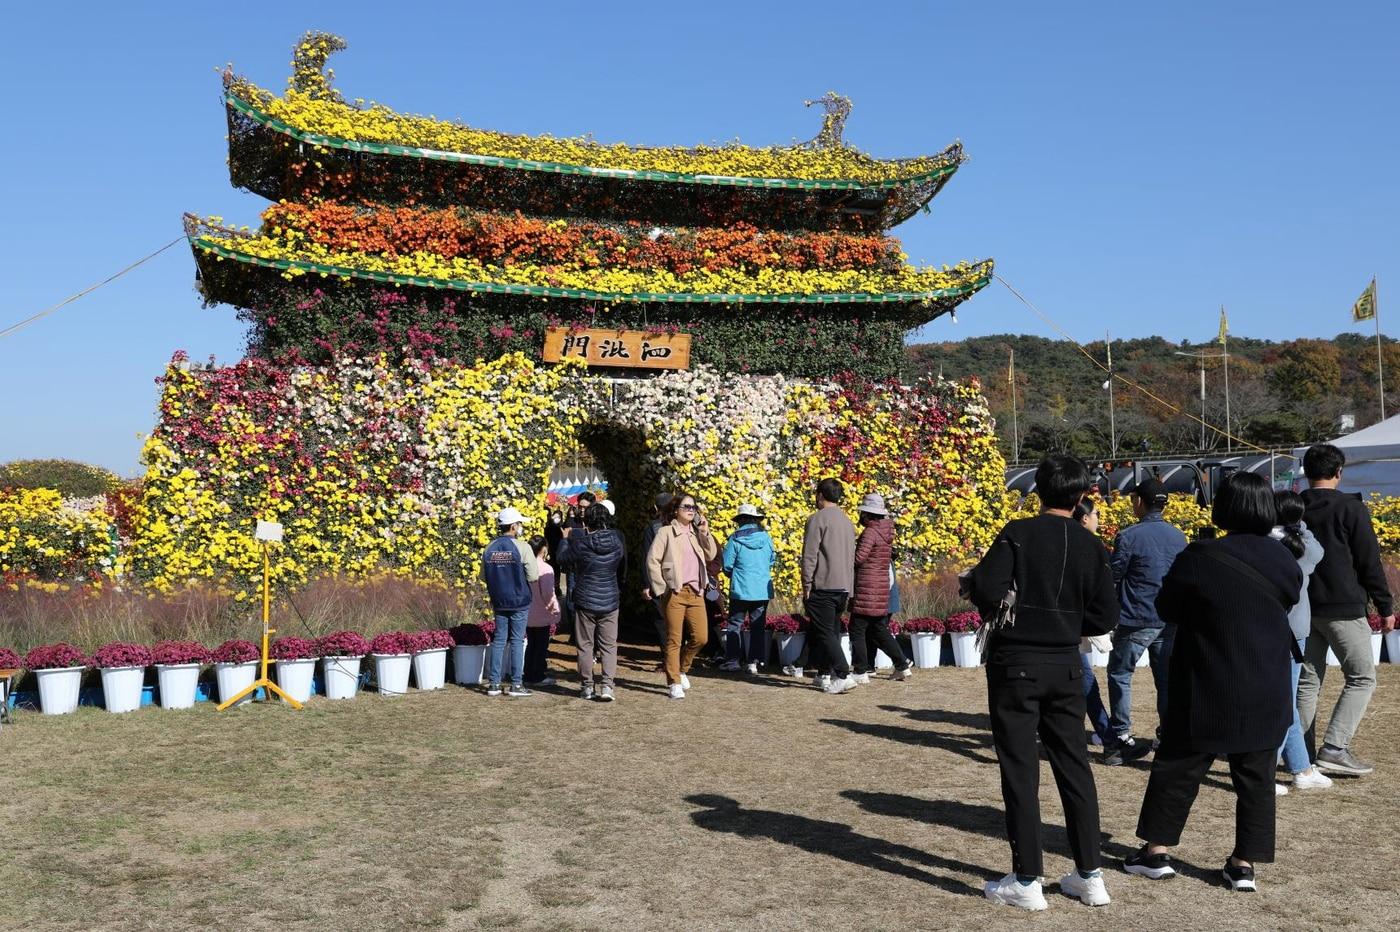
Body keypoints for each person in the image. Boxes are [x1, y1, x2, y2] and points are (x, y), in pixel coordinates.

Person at [1127, 471, 1302, 893]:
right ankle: (1243, 865)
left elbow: (1168, 606)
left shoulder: (1201, 556)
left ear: (1224, 507)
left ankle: (1157, 852)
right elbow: (1289, 598)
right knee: (1255, 778)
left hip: (1206, 680)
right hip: (1266, 681)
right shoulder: (1283, 559)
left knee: (1178, 767)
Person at [965, 454, 1118, 911]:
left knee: (1020, 769)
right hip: (1067, 665)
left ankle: (1027, 878)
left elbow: (987, 588)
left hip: (1015, 664)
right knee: (1075, 767)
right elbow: (1106, 615)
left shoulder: (1018, 532)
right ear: (1081, 496)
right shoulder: (1091, 545)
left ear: (1039, 490)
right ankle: (1090, 874)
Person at [1297, 443, 1396, 776]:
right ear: (1339, 472)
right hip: (1343, 605)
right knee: (1362, 678)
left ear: (1306, 472)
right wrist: (1385, 606)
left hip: (1303, 607)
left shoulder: (1293, 507)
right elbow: (1369, 563)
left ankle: (1300, 753)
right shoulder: (1351, 508)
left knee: (1308, 682)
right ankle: (1335, 748)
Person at [1104, 477, 1187, 766]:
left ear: (1139, 501)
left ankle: (1121, 736)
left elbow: (1114, 576)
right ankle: (1167, 736)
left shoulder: (1129, 536)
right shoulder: (1179, 536)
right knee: (1165, 681)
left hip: (1137, 617)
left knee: (1120, 674)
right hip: (1169, 619)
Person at [1271, 491, 1331, 793]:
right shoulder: (1304, 546)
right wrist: (1300, 524)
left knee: (1284, 701)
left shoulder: (1267, 542)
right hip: (1296, 630)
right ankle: (1283, 769)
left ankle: (1301, 768)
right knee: (1285, 702)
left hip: (1272, 628)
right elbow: (1318, 550)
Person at [646, 492, 718, 700]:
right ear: (675, 510)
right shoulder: (666, 532)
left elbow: (711, 554)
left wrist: (705, 532)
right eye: (686, 506)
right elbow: (652, 561)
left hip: (696, 592)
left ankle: (682, 668)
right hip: (675, 591)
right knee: (674, 639)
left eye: (693, 507)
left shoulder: (696, 533)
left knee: (701, 637)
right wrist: (661, 588)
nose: (690, 510)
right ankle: (674, 681)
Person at [555, 502, 626, 702]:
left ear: (587, 521)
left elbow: (562, 559)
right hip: (610, 599)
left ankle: (587, 686)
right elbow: (619, 567)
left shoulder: (582, 543)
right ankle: (607, 686)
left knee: (585, 645)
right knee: (609, 645)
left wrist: (565, 540)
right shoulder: (617, 542)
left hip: (585, 598)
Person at [801, 478, 859, 695]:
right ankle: (824, 673)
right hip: (843, 586)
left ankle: (843, 672)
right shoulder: (847, 522)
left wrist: (806, 584)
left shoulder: (817, 519)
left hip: (823, 584)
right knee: (830, 630)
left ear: (820, 495)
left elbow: (810, 555)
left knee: (824, 632)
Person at [849, 493, 914, 684]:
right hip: (881, 586)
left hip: (867, 587)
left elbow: (859, 558)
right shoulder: (887, 531)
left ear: (868, 515)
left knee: (857, 628)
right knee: (879, 628)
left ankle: (861, 670)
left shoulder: (869, 532)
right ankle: (902, 665)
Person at [481, 506, 539, 698]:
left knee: (499, 640)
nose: (521, 526)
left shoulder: (489, 548)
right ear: (513, 526)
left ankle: (494, 684)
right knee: (516, 640)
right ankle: (516, 684)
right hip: (519, 600)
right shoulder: (523, 547)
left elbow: (483, 576)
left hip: (499, 600)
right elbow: (532, 576)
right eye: (520, 523)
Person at [1074, 498, 1114, 748]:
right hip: (1073, 627)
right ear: (1084, 518)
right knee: (1085, 682)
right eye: (1096, 514)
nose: (1099, 518)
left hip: (1071, 626)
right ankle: (1107, 736)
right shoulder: (1088, 545)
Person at [721, 503, 776, 674]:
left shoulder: (735, 538)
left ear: (740, 520)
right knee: (757, 626)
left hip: (741, 589)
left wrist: (736, 575)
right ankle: (754, 662)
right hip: (761, 589)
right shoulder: (766, 538)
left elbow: (727, 564)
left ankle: (733, 661)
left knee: (735, 624)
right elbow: (772, 560)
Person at [642, 492, 675, 664]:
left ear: (656, 508)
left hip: (659, 579)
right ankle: (676, 655)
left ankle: (668, 656)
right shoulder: (682, 525)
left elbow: (647, 557)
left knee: (662, 619)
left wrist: (647, 584)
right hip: (679, 578)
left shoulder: (653, 528)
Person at [523, 536, 560, 687]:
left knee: (531, 644)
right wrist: (555, 609)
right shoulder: (546, 568)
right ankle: (537, 675)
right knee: (541, 645)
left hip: (527, 611)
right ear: (543, 549)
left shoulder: (524, 566)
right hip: (542, 612)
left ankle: (528, 673)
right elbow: (548, 594)